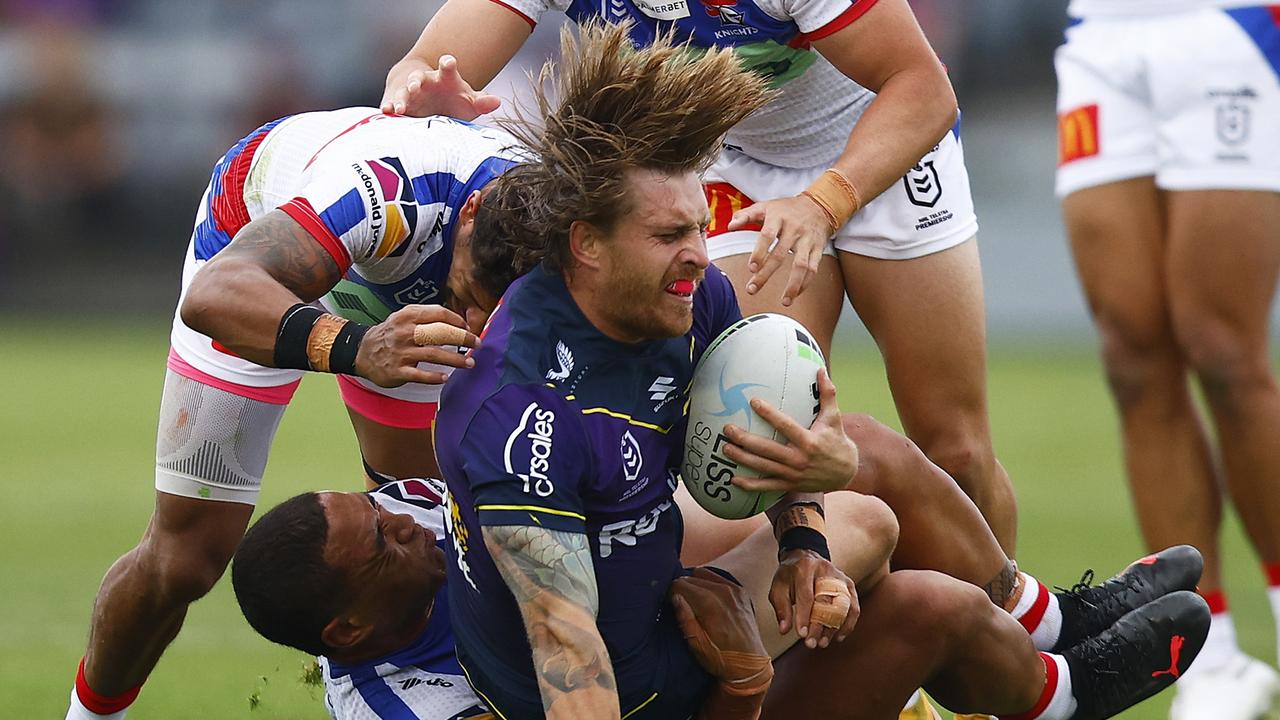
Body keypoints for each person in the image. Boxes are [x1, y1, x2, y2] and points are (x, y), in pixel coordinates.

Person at [430, 21, 1207, 720]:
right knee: (923, 603)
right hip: (638, 695)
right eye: (671, 234)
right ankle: (1056, 679)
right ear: (586, 244)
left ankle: (1056, 667)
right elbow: (570, 661)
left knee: (867, 502)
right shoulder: (520, 419)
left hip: (667, 611)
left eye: (702, 227)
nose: (702, 253)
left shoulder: (688, 295)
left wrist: (802, 545)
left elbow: (781, 428)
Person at [380, 0, 1022, 578]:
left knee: (956, 451)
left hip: (884, 150)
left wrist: (823, 203)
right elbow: (420, 69)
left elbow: (923, 88)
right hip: (738, 167)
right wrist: (418, 89)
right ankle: (877, 663)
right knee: (759, 445)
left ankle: (1012, 650)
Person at [63, 106, 539, 720]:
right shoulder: (387, 193)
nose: (476, 326)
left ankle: (430, 692)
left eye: (494, 313)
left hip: (397, 286)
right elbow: (215, 295)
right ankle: (91, 715)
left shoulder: (556, 223)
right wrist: (359, 347)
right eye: (473, 301)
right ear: (470, 216)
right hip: (255, 254)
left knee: (427, 515)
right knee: (185, 559)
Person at [232, 480, 1210, 720]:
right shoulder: (412, 705)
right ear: (349, 628)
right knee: (923, 606)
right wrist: (741, 683)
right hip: (694, 705)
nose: (409, 520)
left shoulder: (418, 511)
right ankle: (1066, 695)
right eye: (386, 542)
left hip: (661, 629)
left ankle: (1048, 623)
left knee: (844, 459)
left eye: (383, 509)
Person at [1054, 3, 1280, 718]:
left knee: (1223, 350)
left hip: (1224, 25)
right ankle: (1212, 665)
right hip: (1101, 35)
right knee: (1132, 353)